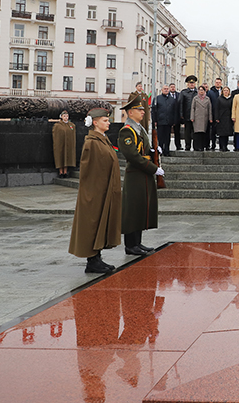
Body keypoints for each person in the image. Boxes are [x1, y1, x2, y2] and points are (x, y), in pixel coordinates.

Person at [68, 108, 122, 273]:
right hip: (96, 192)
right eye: (105, 120)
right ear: (95, 122)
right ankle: (92, 261)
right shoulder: (92, 142)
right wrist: (94, 192)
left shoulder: (102, 140)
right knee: (93, 224)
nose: (109, 122)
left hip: (104, 190)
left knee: (99, 224)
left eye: (108, 120)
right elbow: (88, 171)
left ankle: (96, 258)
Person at [118, 100, 162, 256]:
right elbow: (133, 155)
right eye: (139, 110)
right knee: (133, 210)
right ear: (130, 112)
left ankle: (137, 243)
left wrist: (153, 150)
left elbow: (143, 148)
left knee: (140, 209)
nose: (143, 112)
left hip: (143, 174)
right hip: (135, 174)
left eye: (143, 109)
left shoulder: (140, 128)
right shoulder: (127, 131)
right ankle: (130, 245)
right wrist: (153, 168)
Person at [151, 85, 178, 156]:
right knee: (160, 137)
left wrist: (174, 121)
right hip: (160, 121)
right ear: (162, 90)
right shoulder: (157, 98)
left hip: (169, 121)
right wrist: (154, 120)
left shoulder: (172, 99)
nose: (166, 90)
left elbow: (175, 111)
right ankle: (160, 151)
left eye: (167, 89)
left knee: (167, 137)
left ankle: (166, 151)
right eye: (164, 89)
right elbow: (154, 110)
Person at [52, 109, 76, 178]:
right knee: (60, 157)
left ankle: (65, 172)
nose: (66, 117)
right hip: (60, 145)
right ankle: (61, 172)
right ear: (61, 117)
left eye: (67, 116)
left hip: (68, 145)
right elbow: (56, 135)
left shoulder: (71, 125)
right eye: (64, 116)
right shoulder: (57, 126)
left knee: (67, 157)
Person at [190, 86, 213, 152]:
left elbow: (210, 109)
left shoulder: (207, 99)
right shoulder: (195, 98)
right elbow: (192, 108)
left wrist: (210, 118)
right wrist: (192, 117)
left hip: (204, 117)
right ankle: (196, 147)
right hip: (197, 117)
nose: (201, 91)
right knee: (197, 133)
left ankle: (202, 146)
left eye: (202, 90)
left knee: (203, 133)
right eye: (200, 90)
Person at [179, 75, 198, 151]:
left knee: (195, 132)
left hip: (196, 116)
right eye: (190, 83)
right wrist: (181, 114)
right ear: (188, 84)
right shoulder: (184, 93)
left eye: (193, 83)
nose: (192, 84)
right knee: (187, 132)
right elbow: (181, 104)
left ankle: (196, 146)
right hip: (187, 115)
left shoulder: (198, 92)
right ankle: (187, 146)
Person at [216, 86, 235, 152]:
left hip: (228, 118)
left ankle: (225, 146)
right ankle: (222, 146)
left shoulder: (231, 99)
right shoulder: (219, 99)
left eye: (227, 90)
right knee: (222, 133)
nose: (226, 92)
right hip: (221, 117)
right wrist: (217, 117)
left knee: (227, 133)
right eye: (224, 90)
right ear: (222, 91)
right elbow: (217, 108)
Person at [207, 78, 223, 150]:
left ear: (221, 83)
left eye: (219, 82)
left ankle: (222, 146)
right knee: (213, 131)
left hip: (222, 114)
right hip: (213, 114)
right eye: (216, 82)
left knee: (221, 131)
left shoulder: (224, 91)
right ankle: (213, 145)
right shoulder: (211, 92)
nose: (218, 84)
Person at [168, 83, 182, 151]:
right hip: (169, 117)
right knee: (167, 133)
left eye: (174, 87)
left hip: (177, 117)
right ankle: (167, 146)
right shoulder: (167, 96)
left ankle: (178, 146)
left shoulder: (179, 95)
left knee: (177, 132)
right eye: (171, 87)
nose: (173, 88)